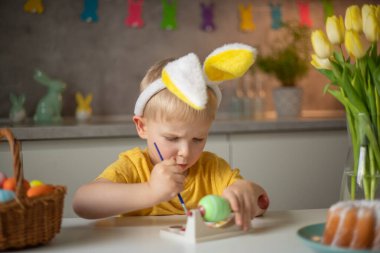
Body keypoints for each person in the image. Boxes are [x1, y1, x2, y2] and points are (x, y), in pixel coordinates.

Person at [73, 44, 269, 231]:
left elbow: (261, 202)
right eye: (172, 138)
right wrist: (151, 190)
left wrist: (246, 192)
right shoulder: (133, 168)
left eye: (198, 139)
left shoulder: (212, 169)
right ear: (142, 127)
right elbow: (82, 203)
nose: (185, 152)